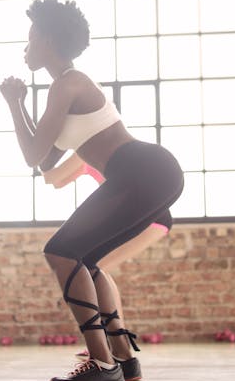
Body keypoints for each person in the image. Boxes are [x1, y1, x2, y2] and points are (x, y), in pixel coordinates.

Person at [0, 0, 184, 381]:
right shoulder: (64, 87)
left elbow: (32, 153)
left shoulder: (69, 82)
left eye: (31, 39)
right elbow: (45, 160)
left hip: (140, 169)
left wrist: (16, 104)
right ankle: (123, 359)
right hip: (146, 173)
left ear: (47, 40)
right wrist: (22, 107)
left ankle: (101, 362)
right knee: (89, 260)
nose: (26, 48)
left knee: (60, 252)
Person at [43, 153, 172, 360]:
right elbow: (58, 182)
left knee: (95, 268)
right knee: (95, 268)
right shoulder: (88, 158)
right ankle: (114, 344)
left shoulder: (84, 150)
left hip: (150, 217)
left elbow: (50, 177)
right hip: (151, 214)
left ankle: (115, 344)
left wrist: (45, 155)